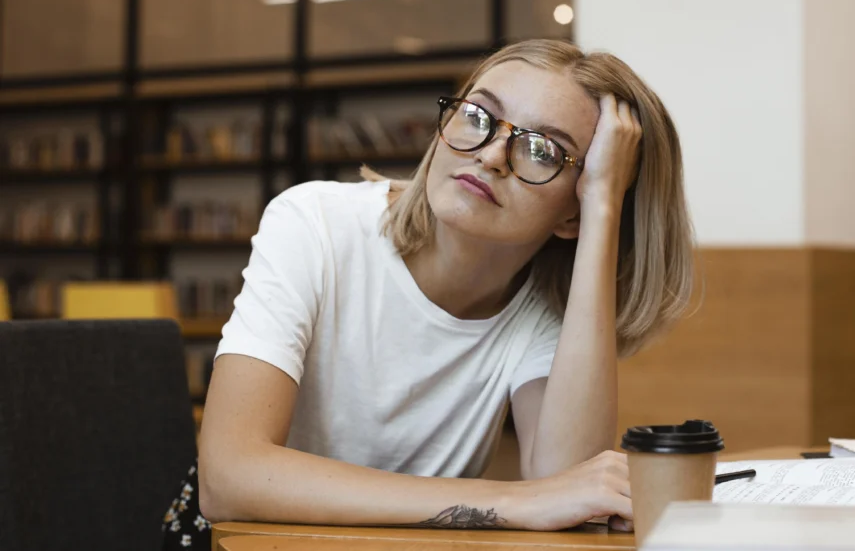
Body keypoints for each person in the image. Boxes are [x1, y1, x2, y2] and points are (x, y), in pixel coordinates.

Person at [162, 39, 695, 547]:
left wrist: (603, 205)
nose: (490, 155)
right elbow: (228, 479)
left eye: (541, 149)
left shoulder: (549, 310)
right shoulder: (315, 223)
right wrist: (511, 504)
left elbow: (568, 491)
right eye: (478, 116)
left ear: (572, 210)